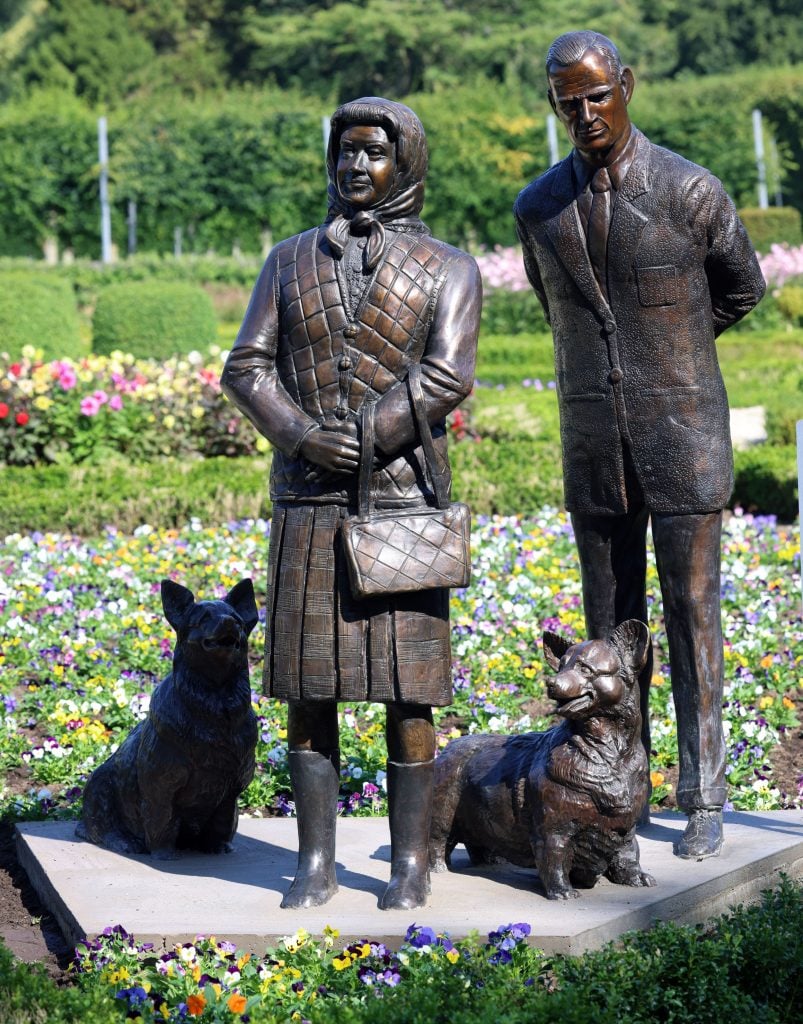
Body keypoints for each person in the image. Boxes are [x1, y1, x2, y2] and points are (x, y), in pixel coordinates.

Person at [221, 97, 480, 909]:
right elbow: (247, 367)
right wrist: (300, 436)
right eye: (344, 153)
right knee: (310, 688)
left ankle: (408, 866)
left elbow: (445, 377)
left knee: (409, 691)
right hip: (307, 500)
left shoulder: (449, 267)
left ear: (405, 162)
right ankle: (315, 863)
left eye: (372, 153)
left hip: (400, 503)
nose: (355, 168)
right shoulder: (287, 259)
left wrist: (364, 436)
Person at [514, 31, 765, 859]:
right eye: (566, 101)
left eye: (595, 95)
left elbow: (741, 287)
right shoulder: (539, 207)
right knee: (605, 635)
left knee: (692, 618)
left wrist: (679, 353)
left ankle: (703, 795)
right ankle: (620, 794)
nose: (583, 113)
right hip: (593, 445)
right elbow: (563, 318)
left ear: (625, 85)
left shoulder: (690, 191)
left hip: (682, 436)